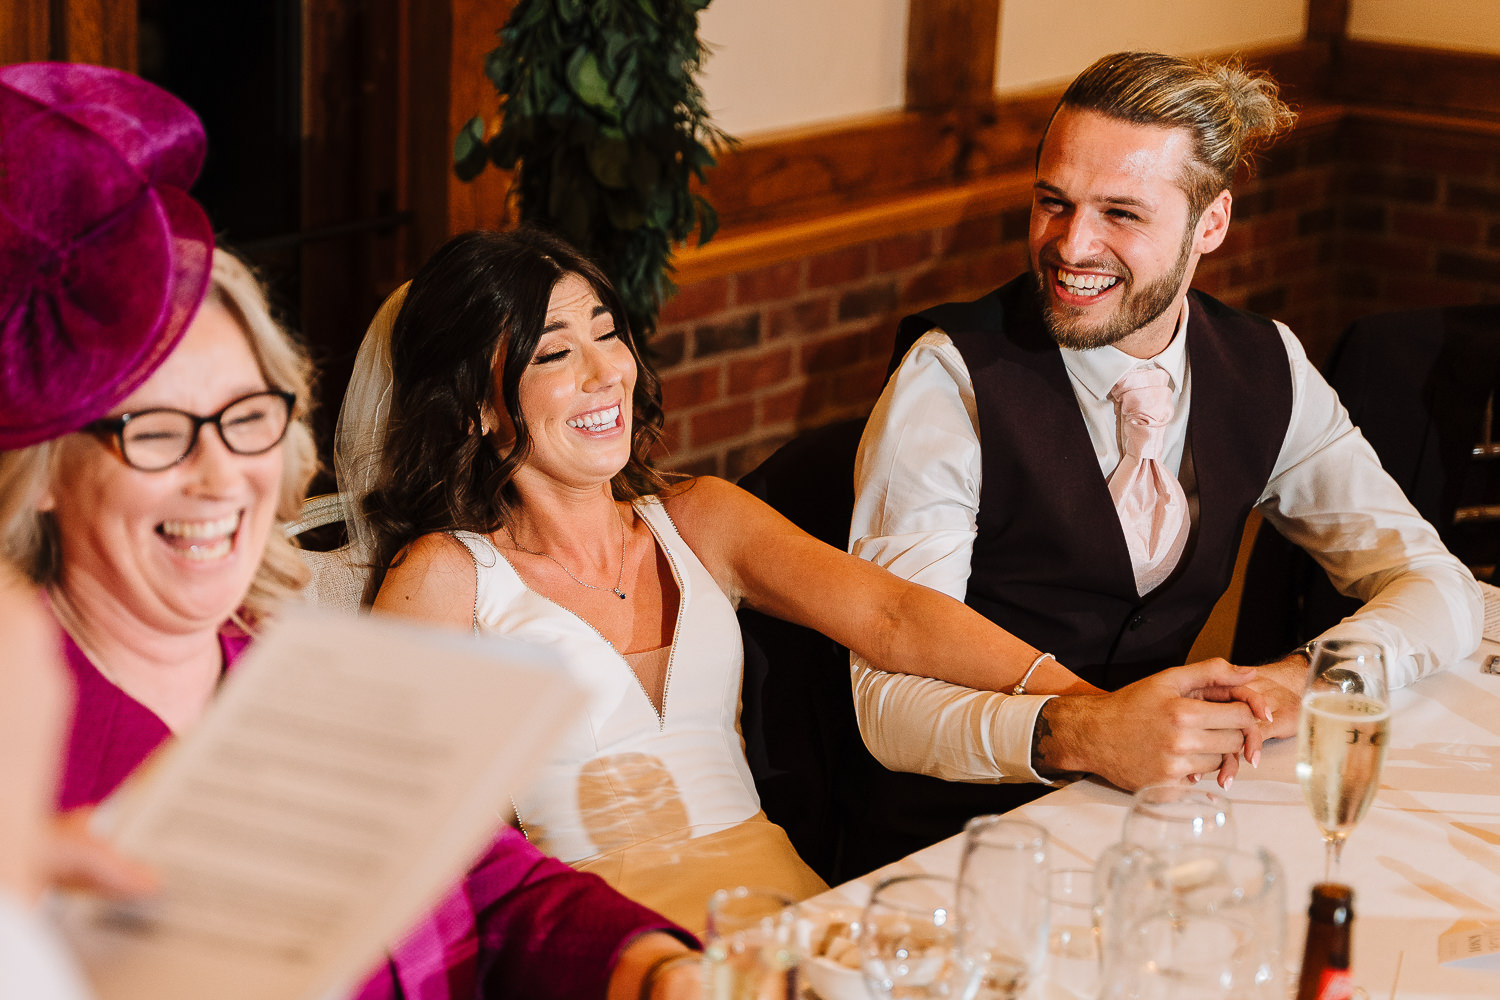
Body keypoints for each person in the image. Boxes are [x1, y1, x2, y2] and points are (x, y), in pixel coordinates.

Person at [339, 227, 1273, 932]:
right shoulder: (446, 578)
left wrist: (1091, 710)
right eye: (553, 353)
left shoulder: (697, 517)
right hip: (598, 944)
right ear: (480, 410)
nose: (604, 373)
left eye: (607, 333)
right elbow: (394, 837)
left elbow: (898, 617)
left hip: (781, 911)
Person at [0, 62, 699, 1000]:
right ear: (45, 467)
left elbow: (487, 882)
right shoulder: (26, 747)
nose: (221, 476)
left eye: (246, 414)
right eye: (157, 431)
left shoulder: (292, 667)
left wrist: (650, 968)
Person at [848, 51, 1482, 852]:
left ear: (1209, 223)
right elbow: (885, 703)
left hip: (1154, 821)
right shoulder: (947, 381)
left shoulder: (1266, 366)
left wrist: (1308, 678)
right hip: (953, 840)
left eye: (1122, 213)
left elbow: (1437, 584)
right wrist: (1080, 734)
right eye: (1053, 202)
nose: (1071, 246)